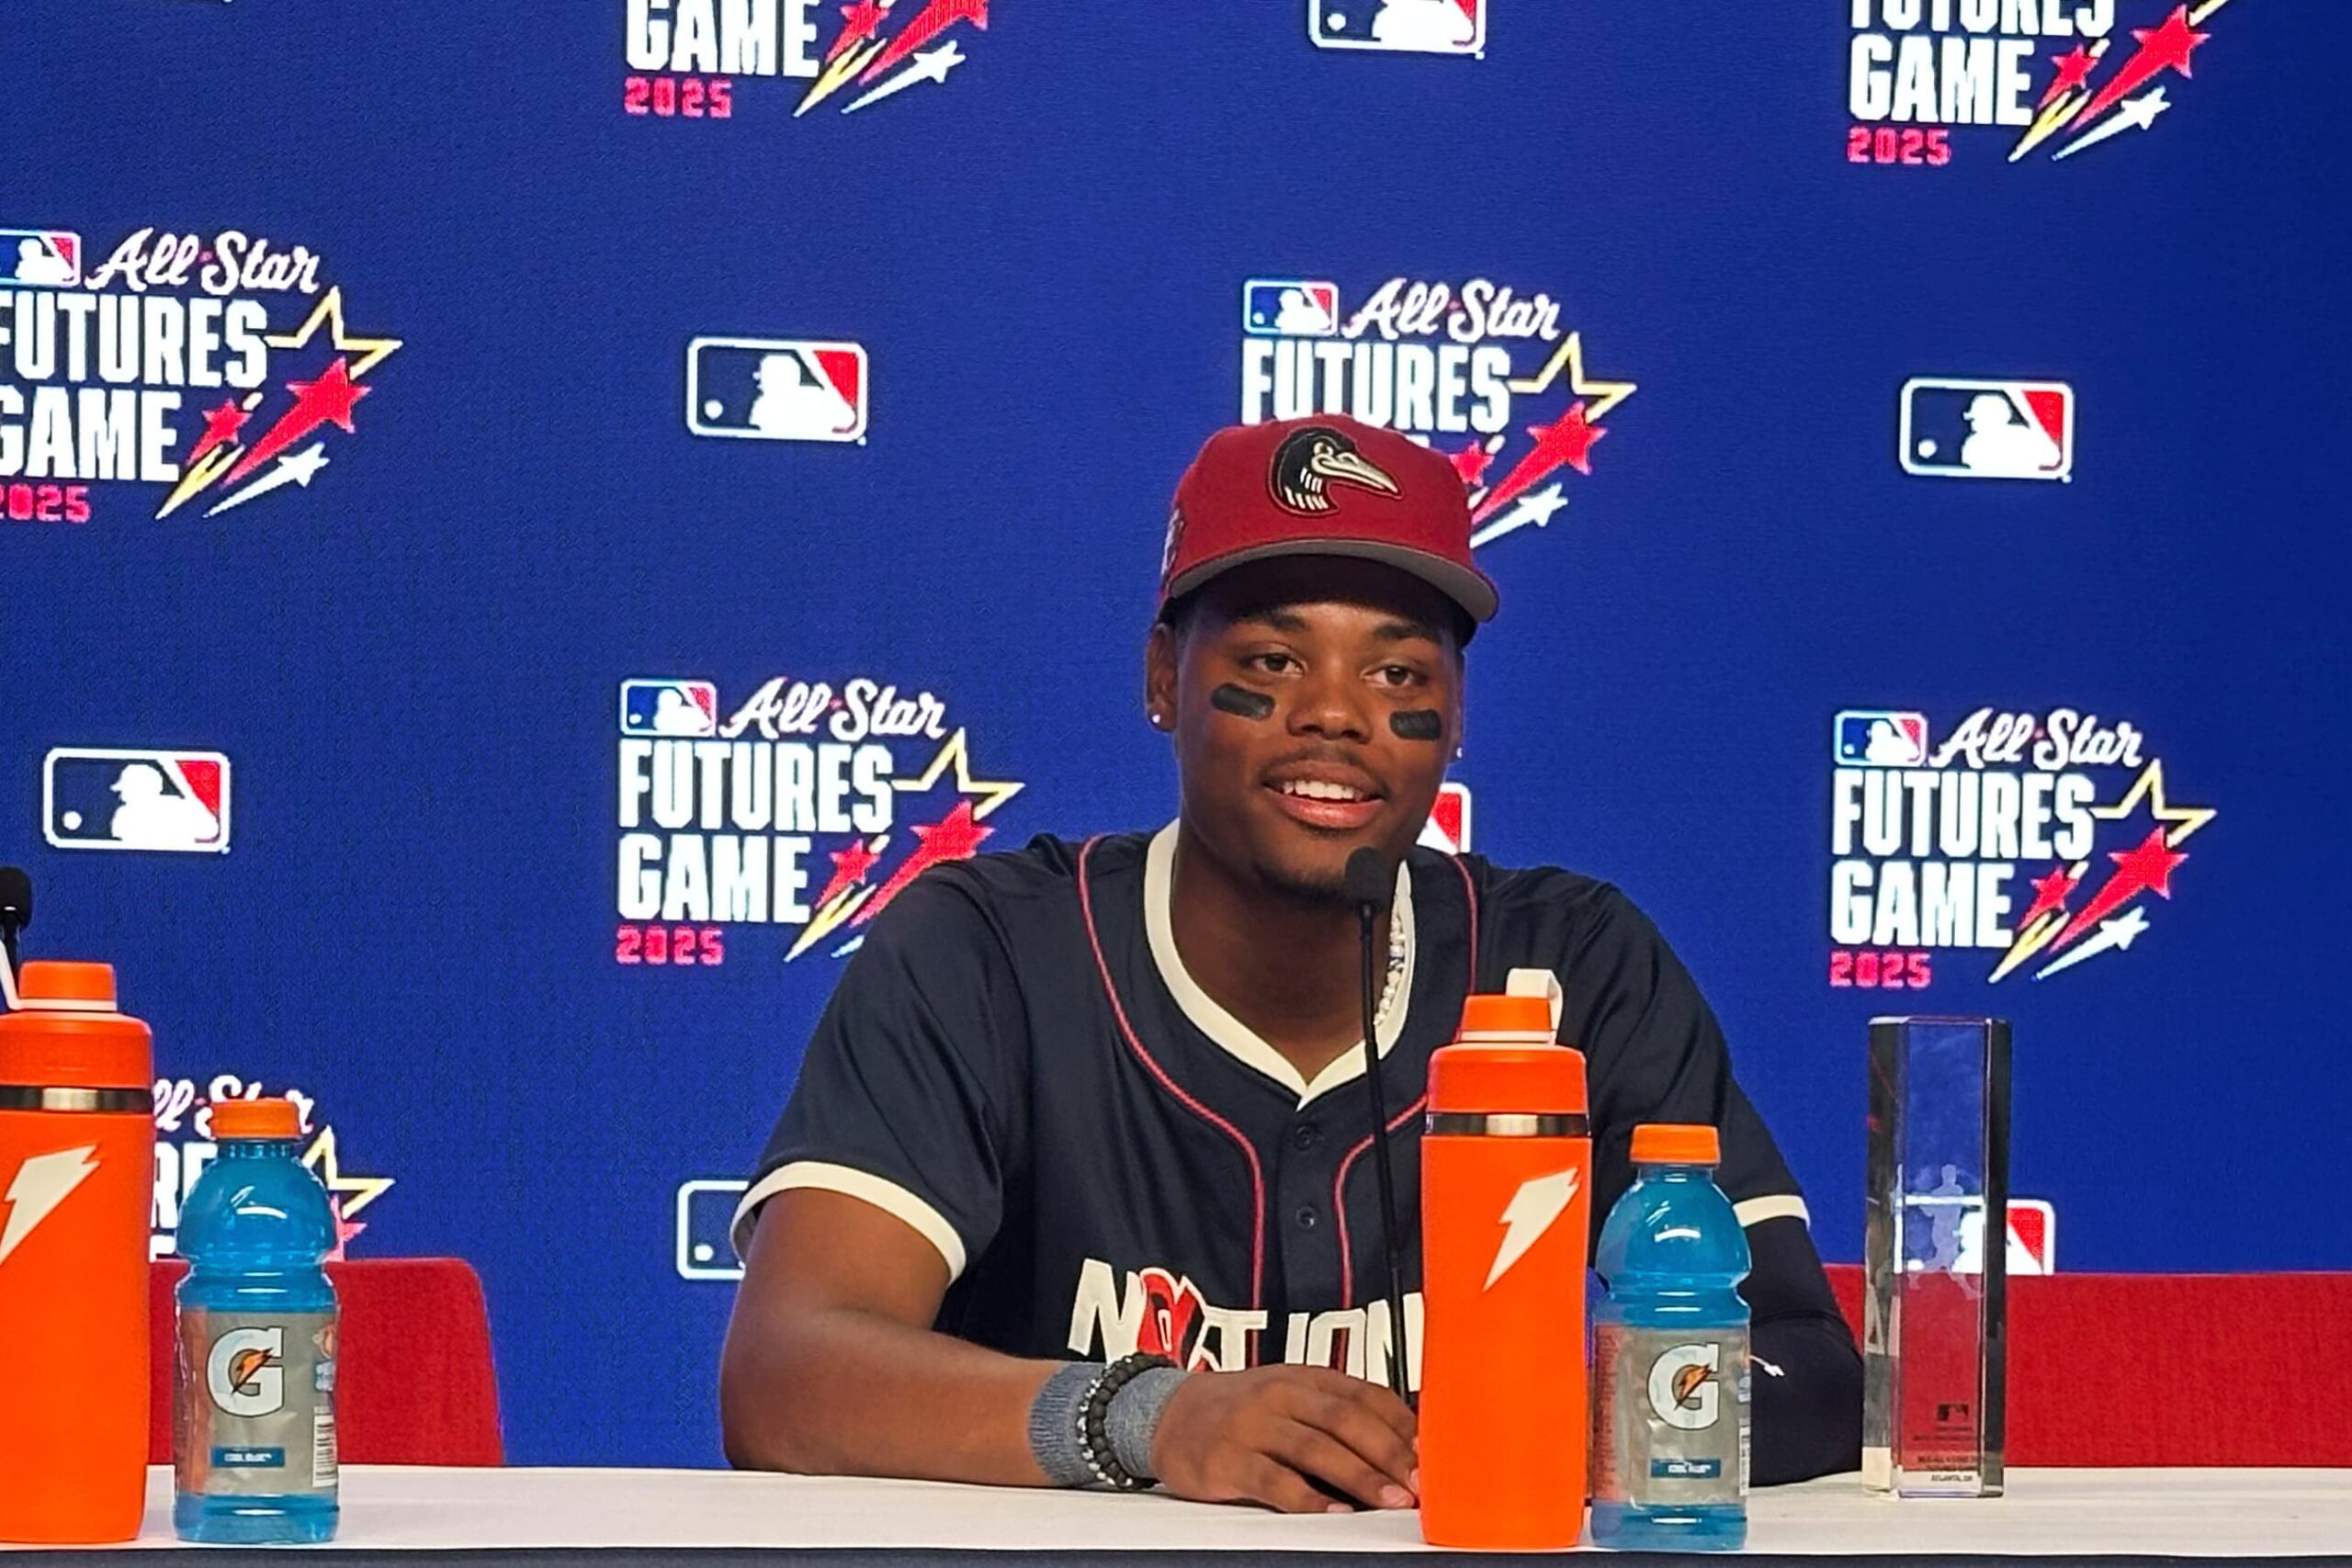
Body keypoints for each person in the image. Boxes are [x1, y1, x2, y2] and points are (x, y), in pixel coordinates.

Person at [720, 414, 1860, 1511]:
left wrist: (1574, 1425)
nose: (1333, 715)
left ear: (1458, 716)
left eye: (1398, 677)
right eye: (1272, 657)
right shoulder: (990, 949)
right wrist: (1152, 1419)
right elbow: (784, 1378)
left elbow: (1808, 1365)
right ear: (1164, 677)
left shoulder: (1569, 962)